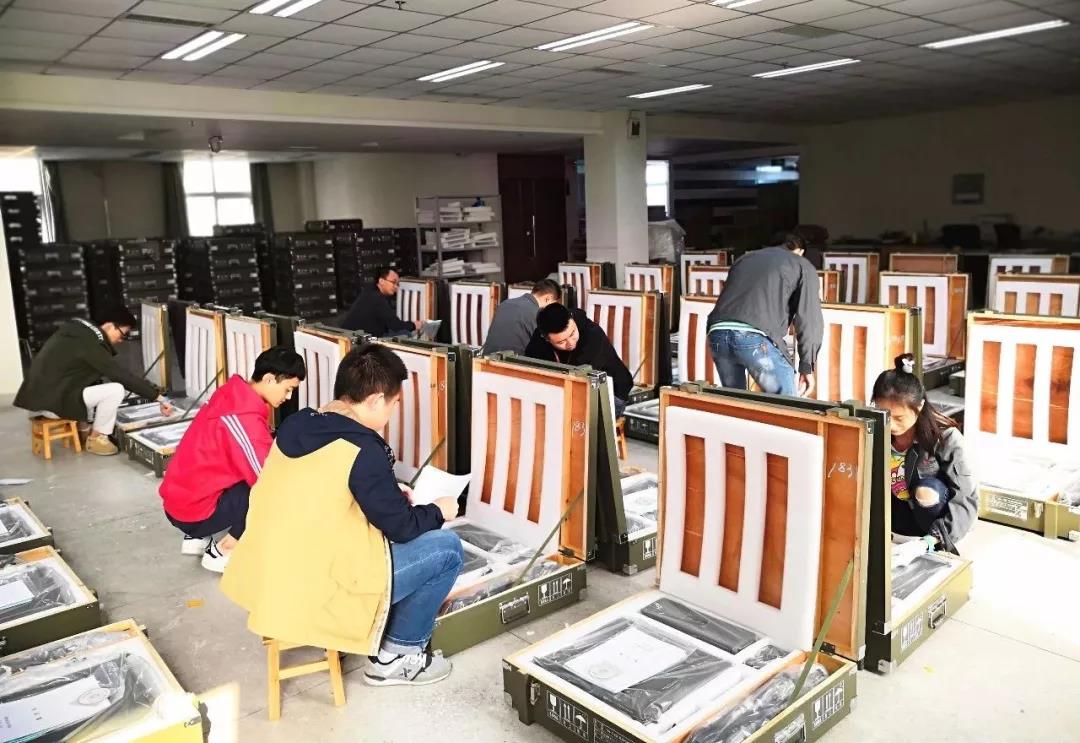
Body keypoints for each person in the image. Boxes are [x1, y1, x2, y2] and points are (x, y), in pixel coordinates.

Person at [221, 344, 463, 686]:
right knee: (446, 549)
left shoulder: (297, 423)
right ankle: (396, 657)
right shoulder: (364, 448)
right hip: (321, 593)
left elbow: (323, 489)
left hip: (269, 578)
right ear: (376, 400)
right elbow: (403, 528)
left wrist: (387, 491)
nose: (393, 411)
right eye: (394, 403)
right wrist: (439, 510)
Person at [159, 347, 306, 573]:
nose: (288, 397)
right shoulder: (245, 419)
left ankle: (196, 539)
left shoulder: (230, 394)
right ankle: (224, 551)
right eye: (288, 389)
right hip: (191, 512)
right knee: (272, 488)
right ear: (269, 379)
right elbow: (268, 479)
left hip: (178, 501)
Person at [14, 307, 173, 456]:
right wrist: (158, 397)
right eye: (123, 334)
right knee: (115, 390)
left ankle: (83, 430)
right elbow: (122, 376)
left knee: (93, 382)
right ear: (110, 325)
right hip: (54, 404)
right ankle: (97, 439)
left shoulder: (77, 328)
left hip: (40, 398)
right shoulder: (92, 345)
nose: (121, 340)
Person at [872, 354, 977, 557]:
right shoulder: (872, 430)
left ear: (919, 407)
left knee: (926, 491)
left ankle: (935, 541)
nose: (891, 425)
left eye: (899, 417)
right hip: (897, 518)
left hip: (932, 521)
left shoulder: (946, 437)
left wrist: (933, 539)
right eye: (885, 415)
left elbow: (966, 497)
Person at [705, 233, 823, 397]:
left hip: (717, 333)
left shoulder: (744, 259)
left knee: (735, 403)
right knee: (786, 405)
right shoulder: (801, 264)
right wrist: (806, 366)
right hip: (753, 336)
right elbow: (809, 319)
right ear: (800, 251)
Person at [524, 303, 634, 416]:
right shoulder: (540, 337)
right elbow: (531, 365)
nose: (570, 343)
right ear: (546, 338)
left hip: (612, 391)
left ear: (572, 319)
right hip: (568, 390)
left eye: (572, 334)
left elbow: (580, 381)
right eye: (561, 342)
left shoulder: (592, 335)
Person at [481, 279, 561, 356]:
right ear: (547, 299)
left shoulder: (505, 304)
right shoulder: (538, 315)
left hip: (485, 360)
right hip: (511, 363)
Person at [339, 267, 422, 336]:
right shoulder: (377, 298)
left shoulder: (369, 292)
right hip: (357, 340)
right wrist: (414, 325)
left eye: (397, 284)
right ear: (381, 281)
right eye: (393, 282)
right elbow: (396, 325)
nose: (396, 287)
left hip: (349, 335)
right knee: (405, 333)